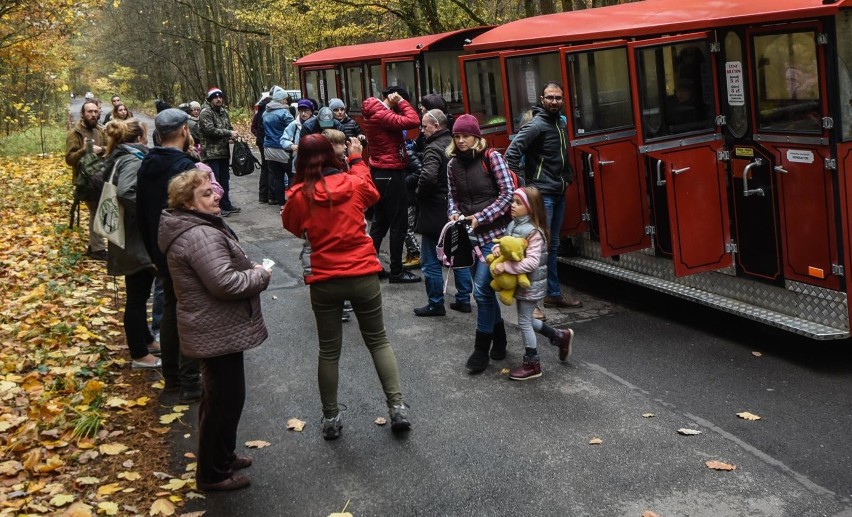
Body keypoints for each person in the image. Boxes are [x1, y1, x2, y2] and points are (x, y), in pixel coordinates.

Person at [282, 134, 411, 439]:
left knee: (328, 351)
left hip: (324, 279)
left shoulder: (299, 195)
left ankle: (330, 417)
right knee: (378, 341)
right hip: (362, 274)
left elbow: (292, 225)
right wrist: (355, 159)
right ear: (331, 155)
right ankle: (397, 407)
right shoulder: (353, 183)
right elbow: (372, 194)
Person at [159, 169, 271, 492]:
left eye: (213, 190)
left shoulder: (197, 226)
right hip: (214, 329)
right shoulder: (198, 235)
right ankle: (211, 473)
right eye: (206, 194)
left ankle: (223, 455)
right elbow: (224, 282)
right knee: (223, 400)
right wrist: (260, 275)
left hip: (218, 327)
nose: (216, 195)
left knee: (225, 398)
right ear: (189, 205)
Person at [136, 108, 202, 403]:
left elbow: (141, 213)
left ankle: (173, 378)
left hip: (159, 250)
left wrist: (152, 251)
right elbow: (196, 212)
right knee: (190, 313)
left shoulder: (146, 163)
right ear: (185, 131)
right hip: (184, 250)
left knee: (174, 309)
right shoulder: (184, 168)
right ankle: (190, 381)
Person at [504, 81, 581, 310]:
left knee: (553, 245)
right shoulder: (536, 125)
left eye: (558, 98)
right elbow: (511, 155)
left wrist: (567, 178)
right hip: (542, 195)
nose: (554, 101)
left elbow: (564, 156)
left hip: (558, 192)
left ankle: (553, 293)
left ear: (563, 100)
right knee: (539, 247)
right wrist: (528, 187)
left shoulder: (560, 123)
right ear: (542, 98)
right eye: (550, 97)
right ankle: (533, 303)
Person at [447, 114, 514, 373]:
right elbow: (451, 197)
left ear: (476, 137)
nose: (461, 141)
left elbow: (507, 194)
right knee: (484, 294)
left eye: (466, 136)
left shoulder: (492, 158)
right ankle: (500, 339)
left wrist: (480, 217)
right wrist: (453, 214)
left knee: (482, 292)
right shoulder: (452, 165)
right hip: (470, 237)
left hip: (495, 236)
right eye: (457, 136)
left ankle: (480, 350)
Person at [492, 187, 575, 380]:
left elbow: (532, 262)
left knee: (524, 322)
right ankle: (560, 336)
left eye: (518, 203)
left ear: (531, 208)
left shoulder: (534, 233)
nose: (512, 205)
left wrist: (506, 267)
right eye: (512, 201)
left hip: (531, 284)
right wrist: (498, 248)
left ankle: (533, 364)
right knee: (527, 320)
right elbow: (507, 245)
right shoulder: (513, 225)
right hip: (522, 283)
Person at [102, 118, 162, 369]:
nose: (147, 139)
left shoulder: (120, 156)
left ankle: (147, 339)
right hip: (133, 237)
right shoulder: (131, 160)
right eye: (145, 135)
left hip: (127, 236)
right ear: (139, 138)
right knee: (137, 296)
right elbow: (127, 191)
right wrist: (148, 212)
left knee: (138, 290)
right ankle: (139, 354)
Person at [413, 108, 472, 316]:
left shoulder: (432, 148)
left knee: (430, 259)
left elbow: (428, 177)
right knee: (458, 254)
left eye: (425, 126)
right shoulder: (455, 143)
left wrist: (419, 193)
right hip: (457, 207)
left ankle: (436, 303)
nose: (422, 130)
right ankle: (464, 299)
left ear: (436, 126)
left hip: (435, 210)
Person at [361, 85, 422, 283]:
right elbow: (413, 121)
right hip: (391, 172)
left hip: (380, 172)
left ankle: (370, 266)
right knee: (398, 224)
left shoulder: (375, 112)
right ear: (392, 98)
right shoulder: (382, 114)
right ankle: (396, 271)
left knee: (380, 223)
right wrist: (402, 102)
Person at [65, 99, 107, 260]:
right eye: (90, 111)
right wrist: (83, 151)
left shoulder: (101, 131)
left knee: (98, 211)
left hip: (101, 177)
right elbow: (69, 159)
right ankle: (98, 249)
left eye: (96, 112)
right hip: (85, 180)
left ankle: (94, 246)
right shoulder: (74, 134)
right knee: (96, 211)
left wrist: (101, 149)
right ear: (83, 114)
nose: (93, 114)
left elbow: (110, 149)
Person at [199, 87, 240, 216]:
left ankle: (226, 203)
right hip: (211, 153)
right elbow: (210, 130)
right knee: (214, 181)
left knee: (225, 180)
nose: (218, 99)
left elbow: (228, 127)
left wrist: (231, 136)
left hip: (223, 151)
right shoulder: (206, 112)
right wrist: (228, 133)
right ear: (210, 99)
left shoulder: (223, 112)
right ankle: (217, 206)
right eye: (215, 97)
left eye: (220, 97)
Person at [263, 86, 295, 209]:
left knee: (277, 178)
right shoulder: (284, 113)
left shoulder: (266, 112)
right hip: (283, 148)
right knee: (292, 175)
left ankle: (282, 204)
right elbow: (293, 128)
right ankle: (293, 203)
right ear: (281, 100)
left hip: (269, 148)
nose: (287, 101)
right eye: (286, 99)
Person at [251, 91, 274, 205]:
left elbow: (253, 127)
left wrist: (258, 135)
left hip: (261, 140)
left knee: (265, 167)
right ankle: (271, 195)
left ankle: (263, 195)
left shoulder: (260, 108)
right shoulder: (270, 108)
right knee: (271, 168)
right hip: (268, 141)